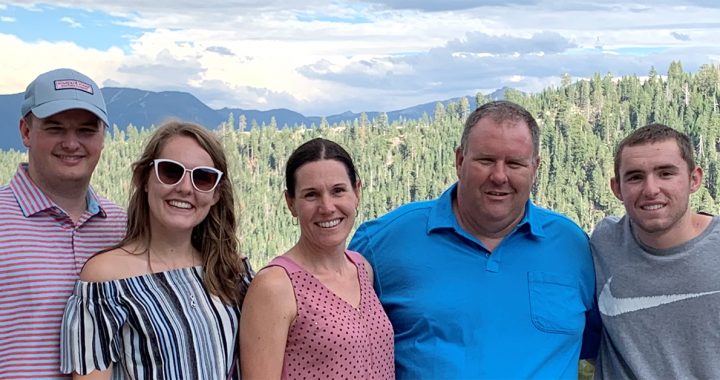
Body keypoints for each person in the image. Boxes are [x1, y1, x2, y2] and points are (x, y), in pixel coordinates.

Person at [349, 100, 598, 379]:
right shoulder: (383, 242)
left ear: (535, 168)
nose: (499, 176)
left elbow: (600, 345)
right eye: (486, 160)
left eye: (515, 163)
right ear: (459, 160)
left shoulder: (572, 245)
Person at [60, 121, 252, 379]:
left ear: (216, 194)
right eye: (170, 172)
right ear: (145, 179)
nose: (185, 188)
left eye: (203, 178)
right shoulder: (105, 281)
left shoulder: (232, 271)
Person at [0, 68, 127, 379]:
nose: (72, 144)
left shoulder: (124, 227)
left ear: (102, 138)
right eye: (55, 129)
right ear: (26, 132)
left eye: (86, 131)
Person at [240, 138, 394, 379]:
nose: (327, 207)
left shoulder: (362, 268)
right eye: (311, 195)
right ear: (291, 203)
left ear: (357, 192)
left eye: (338, 191)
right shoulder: (275, 286)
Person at [591, 123, 720, 379]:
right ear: (617, 188)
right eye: (635, 177)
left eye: (666, 173)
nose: (651, 189)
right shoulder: (604, 241)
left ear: (694, 179)